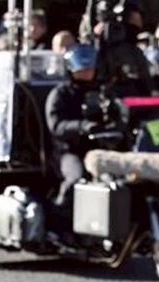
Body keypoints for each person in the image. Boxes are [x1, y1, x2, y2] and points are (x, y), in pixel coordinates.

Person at [45, 43, 108, 229]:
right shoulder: (60, 93)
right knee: (76, 178)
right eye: (82, 70)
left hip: (98, 149)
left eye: (89, 69)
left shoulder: (102, 92)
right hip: (67, 151)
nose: (86, 73)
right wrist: (82, 126)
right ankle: (58, 224)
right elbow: (56, 126)